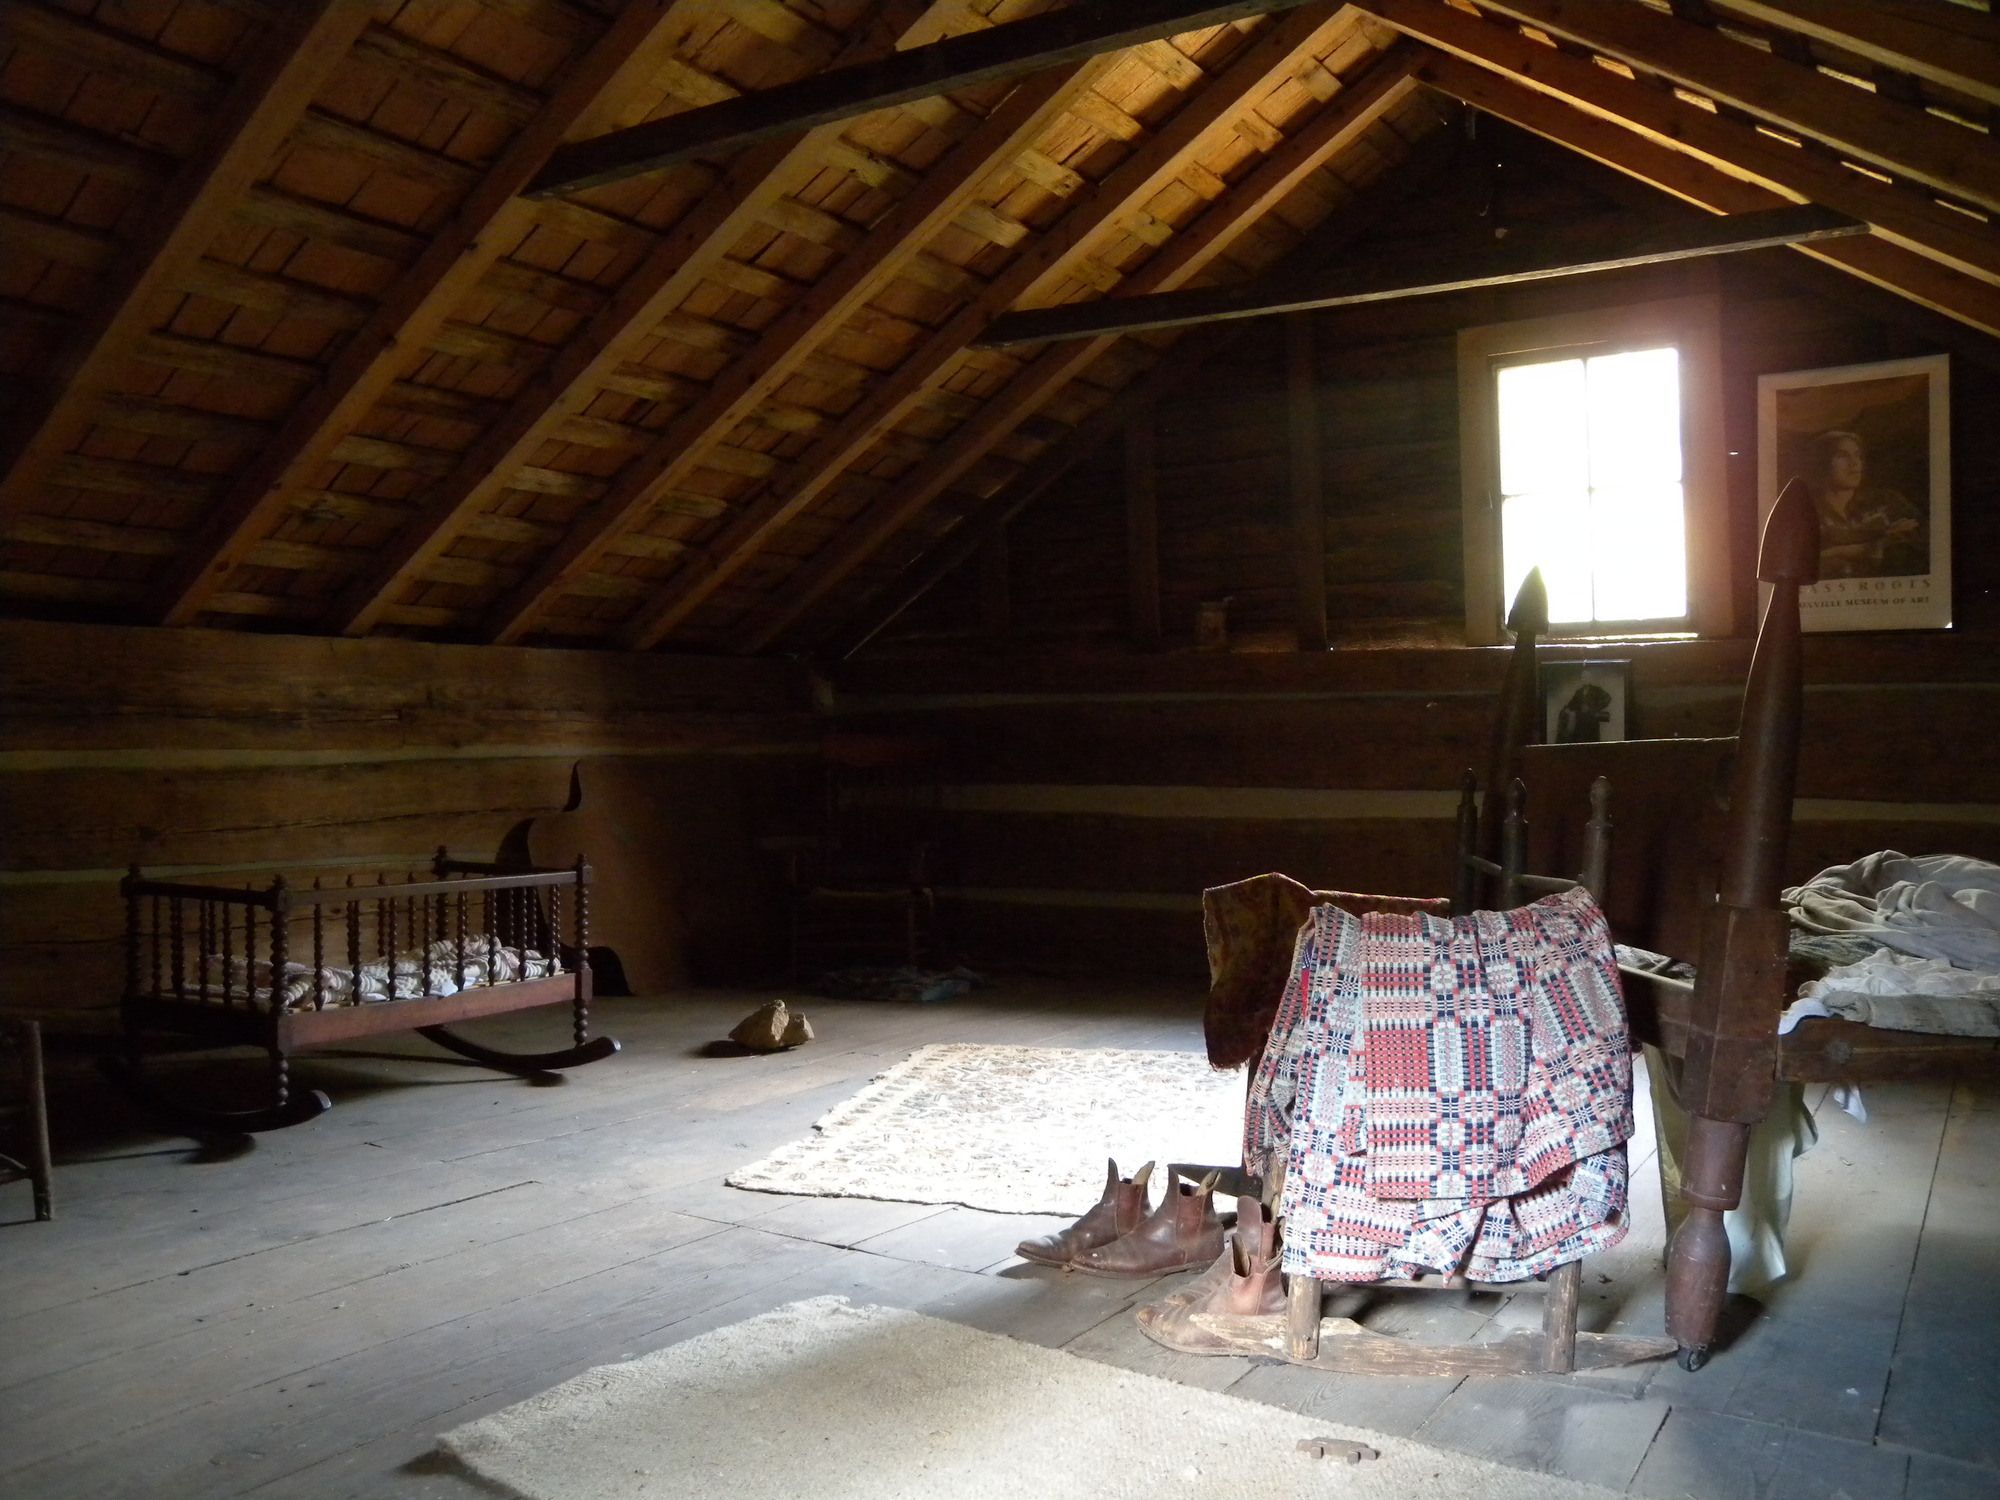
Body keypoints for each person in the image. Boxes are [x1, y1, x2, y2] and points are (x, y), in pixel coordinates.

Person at [1803, 429, 1927, 578]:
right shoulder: (1805, 513)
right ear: (1821, 463)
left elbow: (1929, 541)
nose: (1855, 463)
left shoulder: (1887, 501)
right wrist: (1885, 539)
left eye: (1858, 455)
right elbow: (1802, 563)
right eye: (1842, 455)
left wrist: (1841, 550)